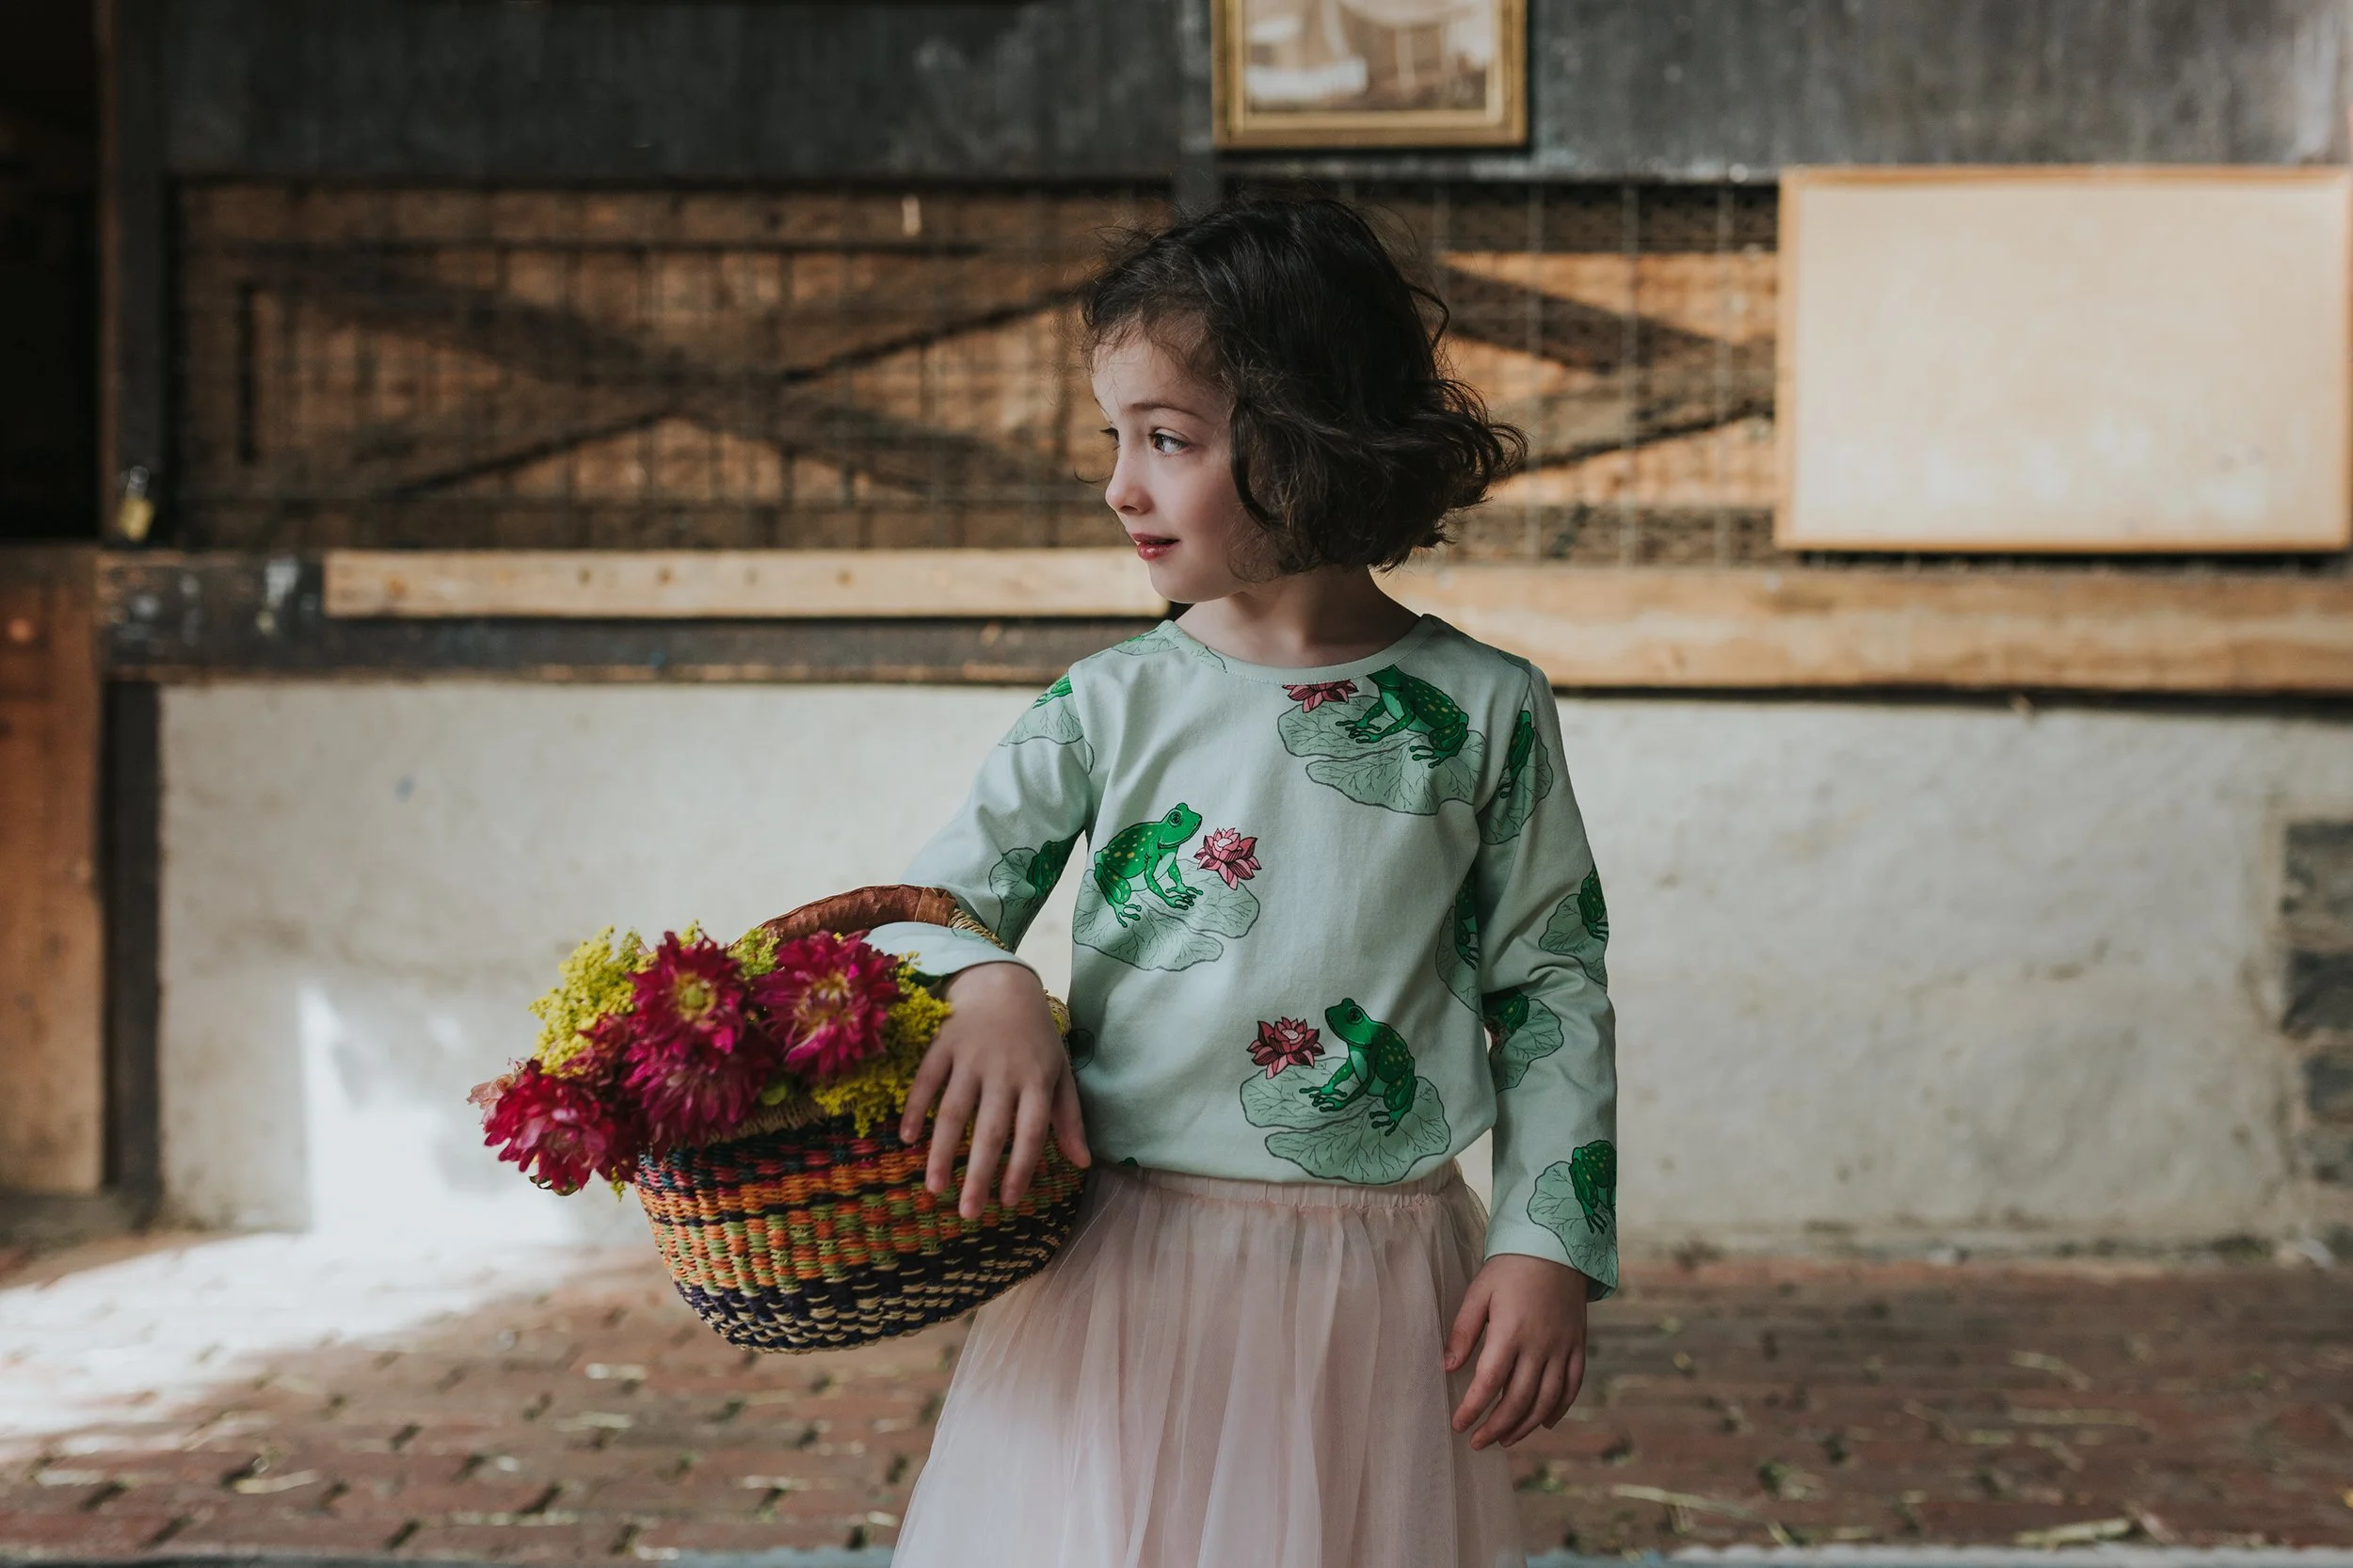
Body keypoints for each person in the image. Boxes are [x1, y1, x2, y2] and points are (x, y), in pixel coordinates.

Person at [865, 195, 1617, 1568]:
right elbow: (913, 918)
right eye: (1116, 438)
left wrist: (1547, 1238)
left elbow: (1552, 986)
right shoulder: (1109, 705)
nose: (1120, 486)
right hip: (1126, 1270)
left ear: (1308, 434)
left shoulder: (1487, 709)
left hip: (1378, 1285)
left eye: (1169, 439)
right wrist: (989, 979)